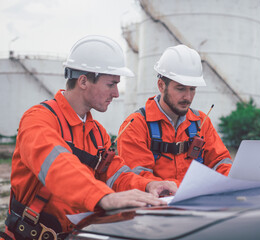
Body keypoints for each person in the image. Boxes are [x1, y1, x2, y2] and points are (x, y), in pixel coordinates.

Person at [4, 35, 177, 239]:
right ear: (84, 81)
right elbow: (59, 167)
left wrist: (148, 185)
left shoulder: (97, 134)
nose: (116, 93)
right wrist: (103, 197)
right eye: (111, 84)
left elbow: (116, 174)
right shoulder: (38, 120)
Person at [117, 44, 233, 187]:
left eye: (192, 89)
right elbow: (139, 178)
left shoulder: (201, 122)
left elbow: (220, 162)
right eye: (180, 88)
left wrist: (234, 179)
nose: (188, 97)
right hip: (155, 206)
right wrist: (183, 187)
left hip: (194, 203)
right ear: (161, 85)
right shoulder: (135, 126)